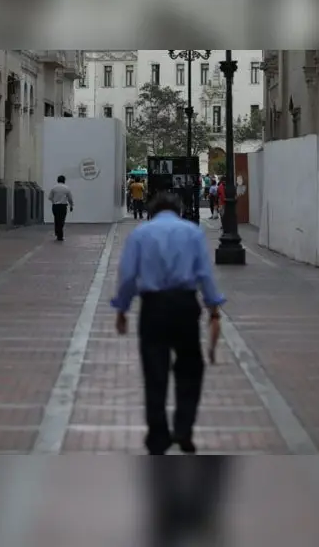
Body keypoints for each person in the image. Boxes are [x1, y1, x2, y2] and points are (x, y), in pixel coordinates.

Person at [110, 191, 226, 455]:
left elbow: (128, 275)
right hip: (185, 306)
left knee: (155, 372)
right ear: (179, 209)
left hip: (154, 307)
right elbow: (204, 274)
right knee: (189, 369)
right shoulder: (192, 232)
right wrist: (213, 307)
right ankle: (183, 429)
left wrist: (122, 309)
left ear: (152, 210)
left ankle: (158, 436)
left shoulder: (140, 234)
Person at [48, 175, 73, 241]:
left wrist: (54, 201)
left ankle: (57, 233)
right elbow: (70, 198)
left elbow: (50, 197)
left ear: (57, 180)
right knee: (62, 220)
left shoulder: (54, 188)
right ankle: (60, 236)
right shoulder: (66, 188)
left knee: (56, 219)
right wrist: (71, 205)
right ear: (64, 180)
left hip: (55, 206)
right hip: (63, 206)